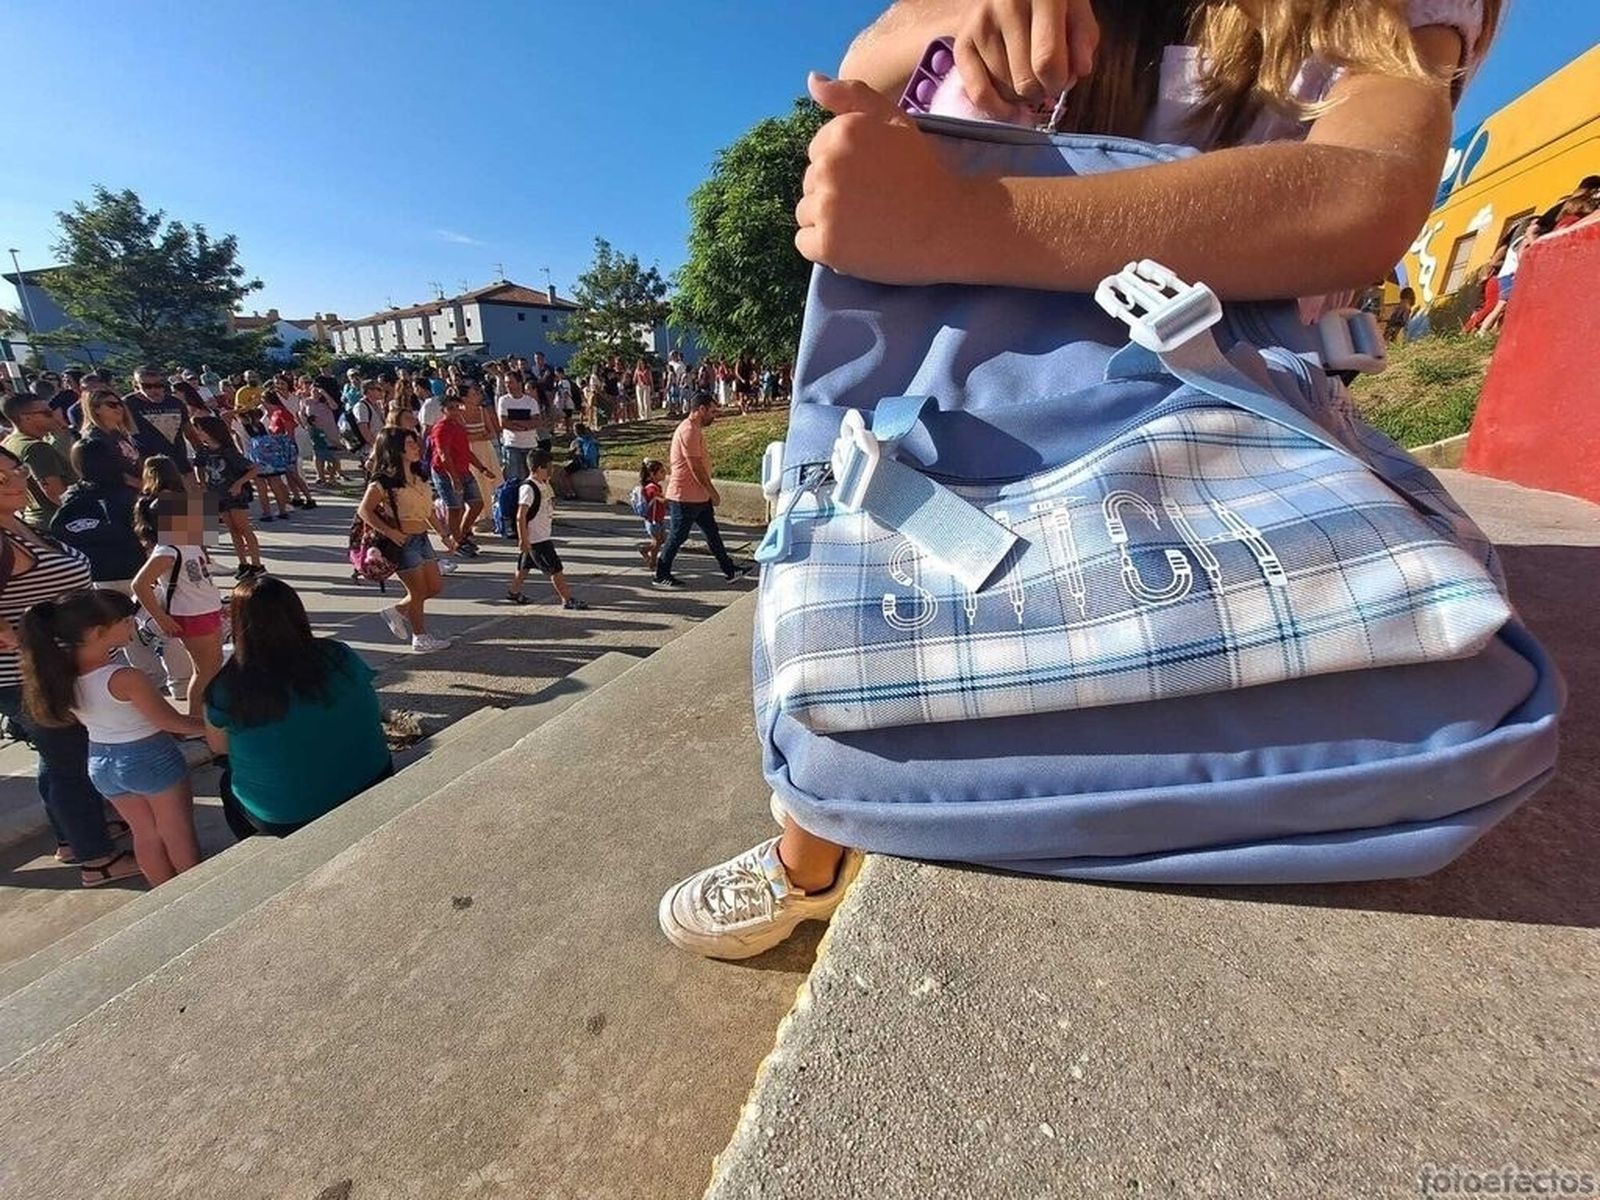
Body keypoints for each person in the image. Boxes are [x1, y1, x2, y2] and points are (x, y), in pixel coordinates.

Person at [658, 0, 1504, 959]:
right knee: (873, 621)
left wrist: (959, 221)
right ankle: (817, 837)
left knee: (873, 658)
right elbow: (869, 59)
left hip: (1211, 416)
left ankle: (815, 851)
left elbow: (1367, 191)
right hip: (973, 420)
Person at [0, 445, 140, 886]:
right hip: (35, 677)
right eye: (2, 478)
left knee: (58, 757)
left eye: (16, 470)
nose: (18, 479)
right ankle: (96, 859)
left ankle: (70, 838)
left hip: (59, 672)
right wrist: (19, 641)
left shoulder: (18, 524)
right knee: (72, 764)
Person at [21, 588, 203, 886]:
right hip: (149, 757)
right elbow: (171, 721)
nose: (132, 625)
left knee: (145, 833)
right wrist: (213, 727)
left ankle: (165, 893)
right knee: (176, 830)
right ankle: (198, 889)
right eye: (125, 621)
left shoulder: (59, 676)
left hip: (101, 762)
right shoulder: (125, 677)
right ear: (97, 632)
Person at [203, 576, 391, 838]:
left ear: (237, 623)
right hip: (375, 775)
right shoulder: (339, 654)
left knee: (227, 781)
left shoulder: (226, 687)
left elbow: (219, 748)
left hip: (290, 815)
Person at [357, 427, 456, 653]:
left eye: (415, 442)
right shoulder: (384, 482)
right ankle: (420, 637)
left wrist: (444, 535)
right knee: (418, 591)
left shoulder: (419, 475)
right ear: (396, 449)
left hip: (422, 538)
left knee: (435, 586)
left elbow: (429, 511)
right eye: (410, 444)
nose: (416, 447)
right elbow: (364, 510)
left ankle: (397, 611)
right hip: (402, 542)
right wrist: (390, 532)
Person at [133, 484, 225, 715]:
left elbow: (201, 579)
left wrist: (217, 604)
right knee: (206, 671)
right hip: (191, 615)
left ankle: (203, 716)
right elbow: (140, 584)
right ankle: (195, 719)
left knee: (210, 667)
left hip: (205, 610)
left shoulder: (190, 543)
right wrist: (161, 618)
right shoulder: (168, 550)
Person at [651, 393, 752, 589]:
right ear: (701, 409)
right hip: (684, 497)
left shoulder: (694, 429)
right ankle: (661, 575)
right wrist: (712, 491)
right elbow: (695, 467)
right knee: (677, 536)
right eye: (712, 411)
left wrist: (706, 493)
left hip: (698, 496)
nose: (715, 415)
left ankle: (730, 570)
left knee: (712, 534)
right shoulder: (688, 430)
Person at [506, 450, 588, 610]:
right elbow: (521, 516)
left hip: (540, 535)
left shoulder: (543, 484)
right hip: (537, 538)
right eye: (548, 467)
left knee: (524, 567)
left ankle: (513, 592)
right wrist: (523, 539)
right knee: (555, 568)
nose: (551, 470)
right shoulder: (528, 488)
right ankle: (567, 599)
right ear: (538, 468)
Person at [191, 415, 264, 580]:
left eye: (200, 430)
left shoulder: (227, 451)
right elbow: (198, 466)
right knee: (233, 529)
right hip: (217, 494)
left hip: (233, 494)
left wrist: (239, 483)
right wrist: (202, 483)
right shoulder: (203, 451)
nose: (198, 433)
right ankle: (243, 562)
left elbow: (254, 469)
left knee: (243, 528)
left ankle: (257, 564)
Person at [2, 390, 76, 527]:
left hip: (34, 520)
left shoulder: (8, 444)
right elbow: (55, 493)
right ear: (26, 418)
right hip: (59, 521)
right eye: (47, 413)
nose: (54, 416)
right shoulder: (37, 448)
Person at [428, 392, 488, 557]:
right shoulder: (441, 428)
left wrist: (482, 468)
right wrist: (454, 479)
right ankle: (456, 541)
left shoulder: (459, 426)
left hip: (463, 470)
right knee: (455, 508)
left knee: (477, 504)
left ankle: (461, 534)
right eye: (451, 408)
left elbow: (466, 451)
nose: (455, 411)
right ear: (443, 410)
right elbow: (444, 455)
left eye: (457, 407)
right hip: (445, 473)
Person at [124, 366, 193, 472]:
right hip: (150, 465)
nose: (154, 390)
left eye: (158, 385)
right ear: (136, 385)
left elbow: (189, 431)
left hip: (179, 461)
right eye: (147, 386)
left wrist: (200, 452)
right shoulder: (128, 404)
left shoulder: (175, 402)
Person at [459, 381, 503, 533]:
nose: (478, 396)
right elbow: (463, 438)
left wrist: (476, 436)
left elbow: (492, 432)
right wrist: (479, 435)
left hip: (486, 450)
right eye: (473, 394)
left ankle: (492, 514)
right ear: (464, 398)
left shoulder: (482, 411)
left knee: (491, 481)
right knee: (476, 482)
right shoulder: (459, 414)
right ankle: (477, 517)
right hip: (470, 452)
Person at [262, 390, 316, 508]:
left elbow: (290, 430)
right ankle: (296, 497)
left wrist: (288, 445)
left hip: (287, 446)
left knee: (294, 473)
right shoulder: (273, 414)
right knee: (288, 474)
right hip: (279, 446)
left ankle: (309, 498)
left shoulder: (282, 412)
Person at [240, 409, 295, 522]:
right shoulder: (261, 425)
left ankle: (267, 513)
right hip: (270, 460)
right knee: (276, 486)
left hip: (255, 461)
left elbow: (225, 416)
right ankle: (283, 511)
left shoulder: (243, 428)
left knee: (262, 489)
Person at [496, 373, 542, 481]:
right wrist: (525, 424)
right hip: (512, 445)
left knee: (531, 479)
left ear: (519, 383)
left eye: (510, 382)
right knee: (514, 479)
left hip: (530, 444)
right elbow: (503, 423)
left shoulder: (530, 402)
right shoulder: (504, 401)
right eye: (506, 383)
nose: (508, 386)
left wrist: (516, 423)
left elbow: (536, 422)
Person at [301, 377, 345, 486]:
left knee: (333, 455)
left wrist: (325, 394)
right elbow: (302, 414)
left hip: (329, 430)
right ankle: (321, 477)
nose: (315, 392)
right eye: (313, 390)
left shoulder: (325, 401)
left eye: (318, 390)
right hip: (316, 431)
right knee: (318, 454)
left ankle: (332, 477)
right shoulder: (306, 401)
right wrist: (306, 424)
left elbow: (335, 407)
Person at [636, 458, 668, 571]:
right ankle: (650, 559)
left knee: (661, 540)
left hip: (658, 518)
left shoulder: (656, 486)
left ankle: (648, 554)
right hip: (652, 520)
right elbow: (662, 500)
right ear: (652, 474)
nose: (665, 474)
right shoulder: (651, 488)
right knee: (657, 541)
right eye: (661, 472)